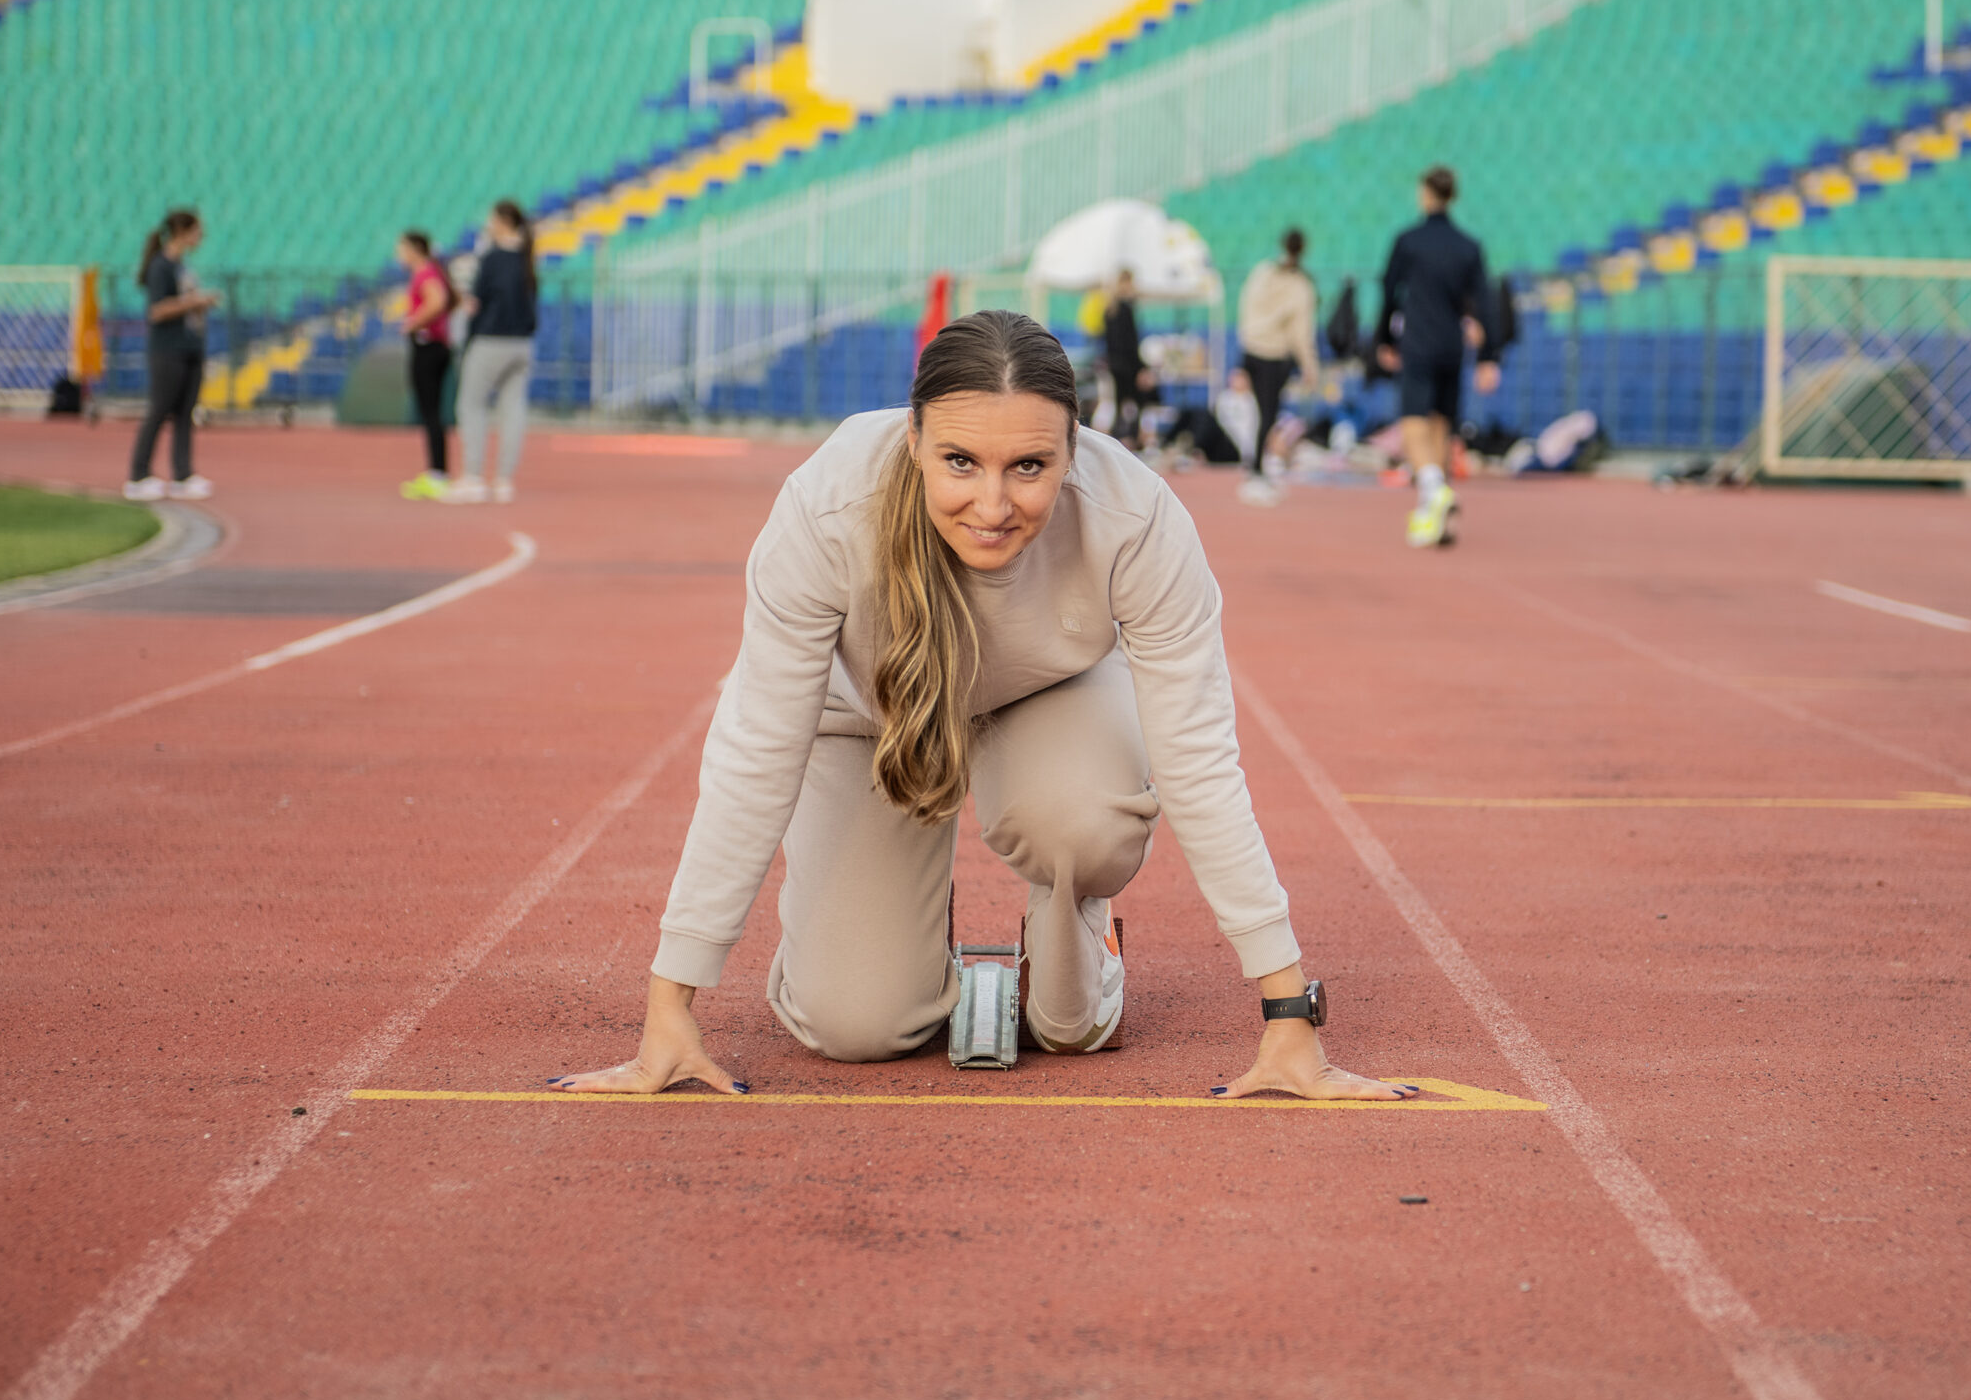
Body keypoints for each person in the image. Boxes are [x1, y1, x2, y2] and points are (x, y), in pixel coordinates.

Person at [551, 310, 1409, 1103]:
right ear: (913, 435)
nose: (992, 506)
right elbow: (756, 748)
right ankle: (901, 931)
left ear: (1074, 450)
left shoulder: (1137, 518)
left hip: (1051, 700)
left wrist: (1288, 1012)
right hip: (872, 718)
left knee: (1071, 1018)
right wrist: (672, 1003)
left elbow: (1197, 758)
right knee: (857, 1025)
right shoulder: (826, 509)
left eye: (1029, 467)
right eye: (959, 461)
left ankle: (1080, 930)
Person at [1375, 167, 1500, 547]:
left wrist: (1383, 339)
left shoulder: (1408, 241)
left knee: (1413, 422)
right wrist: (1488, 356)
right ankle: (1437, 521)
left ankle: (1432, 490)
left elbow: (1388, 291)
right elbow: (1486, 303)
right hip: (1451, 346)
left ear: (1426, 194)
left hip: (1418, 341)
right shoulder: (1469, 246)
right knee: (1441, 426)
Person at [124, 208, 219, 502]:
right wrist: (192, 302)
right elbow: (158, 310)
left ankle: (183, 474)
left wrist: (197, 305)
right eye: (197, 230)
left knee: (185, 414)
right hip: (168, 350)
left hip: (190, 345)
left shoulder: (181, 266)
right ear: (183, 232)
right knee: (159, 409)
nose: (201, 236)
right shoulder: (160, 267)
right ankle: (138, 475)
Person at [447, 201, 537, 505]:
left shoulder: (493, 257)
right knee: (513, 411)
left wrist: (470, 332)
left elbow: (477, 302)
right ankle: (503, 480)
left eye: (491, 218)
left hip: (491, 340)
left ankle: (472, 476)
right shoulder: (526, 258)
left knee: (471, 405)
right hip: (522, 343)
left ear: (503, 221)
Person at [1233, 228, 1321, 506]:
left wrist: (1246, 341)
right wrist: (1310, 365)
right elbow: (1301, 331)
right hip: (1274, 355)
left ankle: (1255, 468)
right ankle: (1257, 470)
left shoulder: (1261, 273)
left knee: (1258, 413)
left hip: (1252, 348)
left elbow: (1244, 306)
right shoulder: (1300, 286)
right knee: (1267, 414)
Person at [396, 231, 456, 501]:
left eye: (401, 248)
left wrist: (413, 323)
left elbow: (438, 301)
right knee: (431, 412)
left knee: (431, 412)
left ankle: (437, 473)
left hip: (428, 346)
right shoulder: (433, 272)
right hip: (436, 346)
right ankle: (436, 472)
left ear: (414, 249)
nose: (398, 254)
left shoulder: (426, 274)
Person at [1100, 267, 1152, 446]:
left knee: (1119, 402)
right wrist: (1140, 367)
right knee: (1138, 402)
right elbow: (1131, 343)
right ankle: (1133, 437)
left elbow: (1109, 343)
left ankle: (1117, 438)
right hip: (1127, 366)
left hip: (1116, 365)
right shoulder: (1125, 310)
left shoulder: (1109, 310)